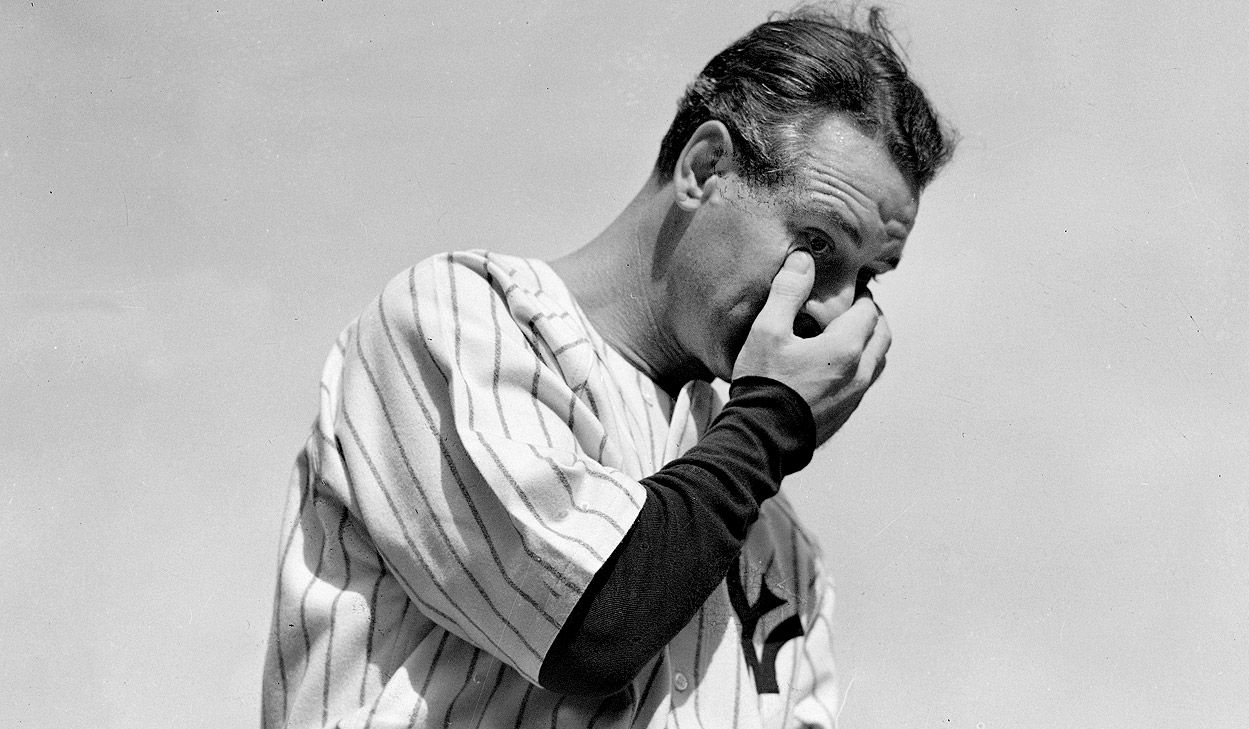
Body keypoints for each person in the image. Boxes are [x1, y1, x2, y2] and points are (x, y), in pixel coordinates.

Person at [263, 5, 954, 728]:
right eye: (817, 243)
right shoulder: (461, 319)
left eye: (869, 278)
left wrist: (758, 440)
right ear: (704, 167)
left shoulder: (779, 544)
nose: (835, 310)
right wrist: (770, 424)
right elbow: (591, 629)